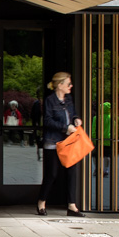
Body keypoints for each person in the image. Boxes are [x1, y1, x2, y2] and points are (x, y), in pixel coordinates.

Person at [37, 70, 84, 217]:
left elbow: (72, 113)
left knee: (71, 172)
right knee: (52, 173)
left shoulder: (69, 99)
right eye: (68, 83)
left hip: (68, 142)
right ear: (60, 85)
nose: (70, 86)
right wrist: (66, 127)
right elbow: (48, 121)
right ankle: (41, 202)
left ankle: (71, 206)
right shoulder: (50, 100)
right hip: (53, 142)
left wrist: (76, 119)